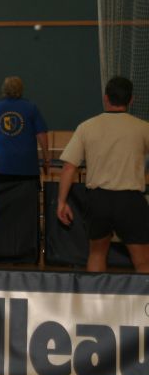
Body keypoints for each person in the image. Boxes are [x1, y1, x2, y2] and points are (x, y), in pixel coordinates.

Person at [56, 76, 149, 273]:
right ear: (131, 100)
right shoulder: (143, 127)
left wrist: (61, 202)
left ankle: (95, 294)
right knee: (143, 261)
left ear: (106, 98)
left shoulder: (86, 127)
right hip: (130, 201)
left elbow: (69, 167)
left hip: (98, 200)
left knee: (97, 253)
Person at [0, 76, 51, 182]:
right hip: (27, 166)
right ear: (21, 89)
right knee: (28, 193)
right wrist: (46, 158)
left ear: (4, 89)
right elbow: (41, 134)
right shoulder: (31, 108)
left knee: (1, 193)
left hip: (1, 165)